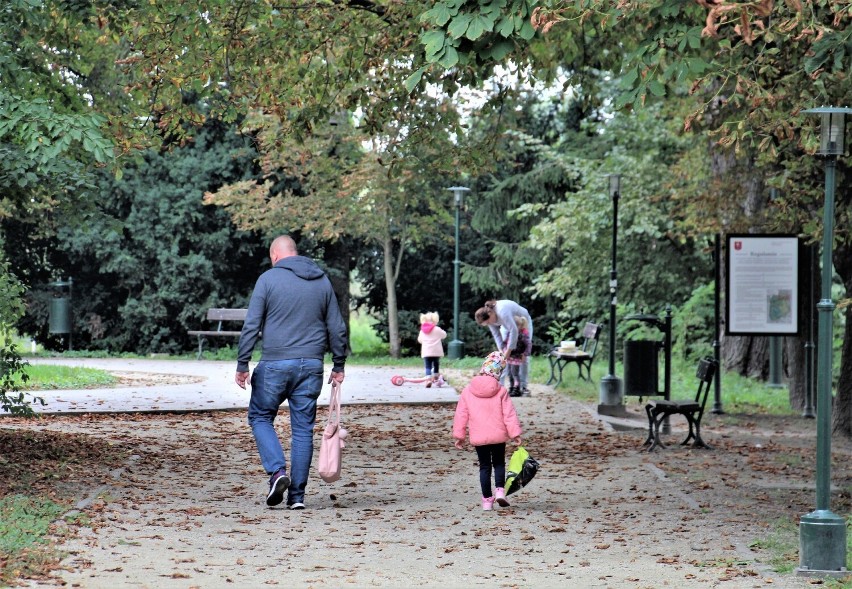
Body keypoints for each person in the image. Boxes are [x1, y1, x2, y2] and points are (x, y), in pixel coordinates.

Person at [235, 235, 348, 510]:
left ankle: (277, 472)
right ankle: (297, 497)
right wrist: (339, 364)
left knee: (260, 416)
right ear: (295, 253)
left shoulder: (268, 279)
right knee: (303, 430)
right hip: (310, 365)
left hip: (274, 363)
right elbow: (337, 326)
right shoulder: (321, 281)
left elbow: (252, 324)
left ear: (275, 255)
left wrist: (243, 364)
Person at [452, 351, 523, 511]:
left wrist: (459, 435)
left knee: (484, 467)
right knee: (498, 463)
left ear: (483, 368)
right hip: (498, 436)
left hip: (479, 436)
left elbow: (461, 415)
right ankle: (499, 491)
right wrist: (515, 434)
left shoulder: (468, 391)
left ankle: (486, 501)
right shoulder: (501, 391)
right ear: (499, 372)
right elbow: (509, 414)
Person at [474, 299, 534, 394]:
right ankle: (501, 387)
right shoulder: (489, 320)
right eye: (487, 324)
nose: (489, 324)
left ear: (490, 313)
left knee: (523, 355)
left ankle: (523, 387)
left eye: (488, 322)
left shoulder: (502, 311)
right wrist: (502, 351)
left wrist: (508, 352)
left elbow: (514, 330)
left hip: (523, 323)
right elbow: (497, 335)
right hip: (507, 326)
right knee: (502, 357)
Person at [417, 311, 447, 388]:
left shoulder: (422, 331)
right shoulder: (437, 329)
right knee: (436, 364)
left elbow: (420, 340)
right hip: (436, 352)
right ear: (435, 320)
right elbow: (444, 335)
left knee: (428, 366)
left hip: (426, 352)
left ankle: (428, 380)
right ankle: (436, 377)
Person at [506, 315, 531, 397]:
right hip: (509, 357)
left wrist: (525, 354)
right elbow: (506, 342)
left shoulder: (523, 334)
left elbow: (528, 345)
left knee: (515, 373)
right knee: (509, 373)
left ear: (520, 325)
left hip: (517, 357)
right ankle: (512, 387)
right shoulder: (509, 333)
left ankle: (517, 389)